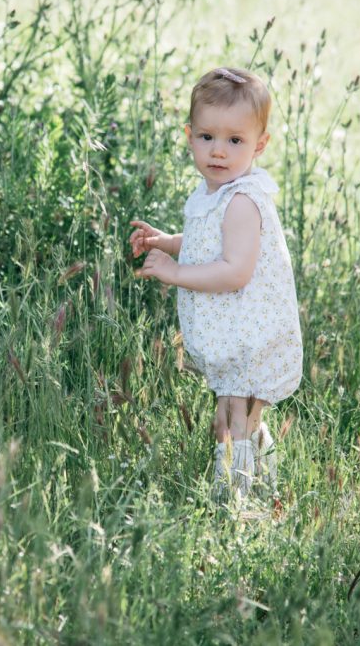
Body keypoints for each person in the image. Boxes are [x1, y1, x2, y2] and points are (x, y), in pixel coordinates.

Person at [128, 66, 303, 504]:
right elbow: (209, 241)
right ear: (190, 136)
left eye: (235, 141)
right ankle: (262, 488)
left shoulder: (243, 200)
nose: (218, 151)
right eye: (207, 137)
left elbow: (233, 271)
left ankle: (235, 501)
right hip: (233, 331)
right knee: (229, 415)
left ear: (259, 145)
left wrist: (175, 273)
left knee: (234, 419)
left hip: (250, 336)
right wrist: (165, 241)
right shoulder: (214, 193)